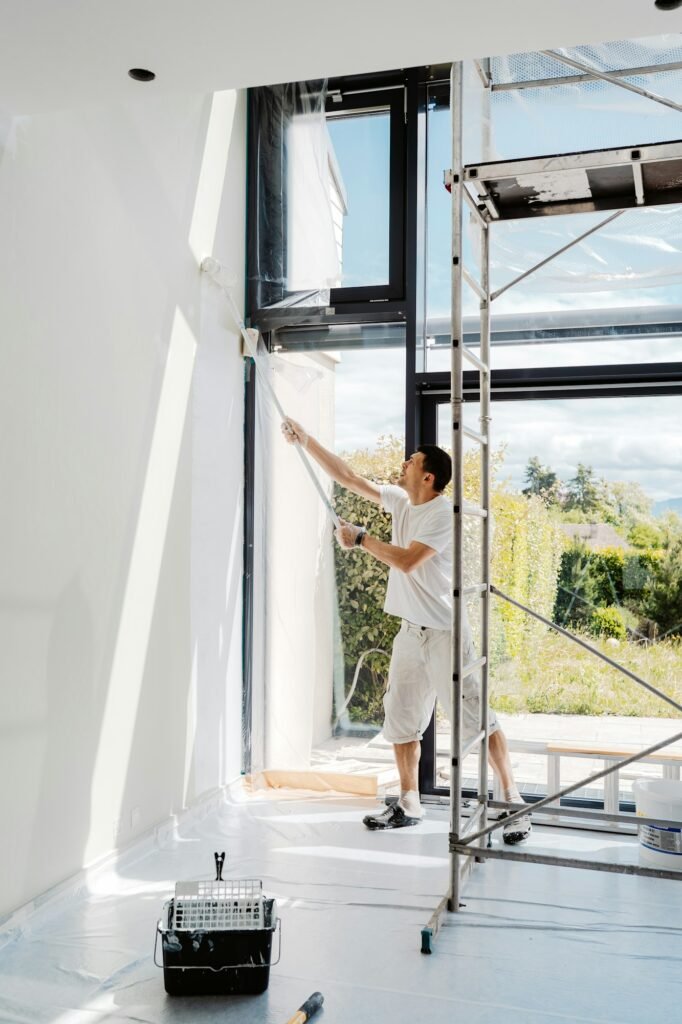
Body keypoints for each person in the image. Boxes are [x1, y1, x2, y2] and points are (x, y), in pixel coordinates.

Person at [281, 418, 531, 844]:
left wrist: (360, 540)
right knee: (400, 718)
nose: (403, 463)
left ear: (428, 476)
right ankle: (409, 801)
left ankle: (513, 801)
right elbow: (348, 477)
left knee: (476, 721)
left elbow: (408, 560)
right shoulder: (399, 501)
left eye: (411, 461)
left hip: (446, 634)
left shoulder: (443, 515)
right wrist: (306, 441)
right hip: (410, 633)